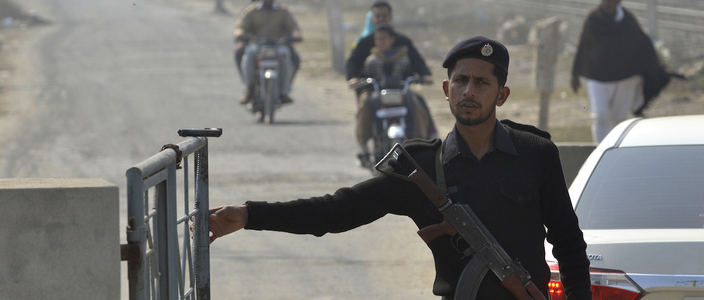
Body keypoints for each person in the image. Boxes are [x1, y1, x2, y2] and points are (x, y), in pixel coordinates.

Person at [209, 36, 593, 300]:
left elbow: (569, 245)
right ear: (446, 90)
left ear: (502, 94)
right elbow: (335, 211)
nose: (469, 92)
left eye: (481, 82)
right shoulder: (420, 169)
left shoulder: (536, 154)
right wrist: (250, 214)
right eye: (460, 81)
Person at [571, 0, 670, 142]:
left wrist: (654, 69)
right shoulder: (594, 19)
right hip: (598, 75)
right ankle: (600, 150)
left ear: (618, 1)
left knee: (619, 118)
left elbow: (642, 45)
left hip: (625, 77)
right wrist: (575, 74)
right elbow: (584, 45)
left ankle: (617, 150)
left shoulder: (627, 20)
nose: (607, 3)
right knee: (601, 116)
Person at [349, 24, 435, 167]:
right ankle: (364, 148)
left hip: (401, 93)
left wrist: (423, 77)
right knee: (365, 105)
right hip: (378, 94)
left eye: (384, 39)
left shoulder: (403, 57)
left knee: (415, 103)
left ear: (392, 39)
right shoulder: (371, 60)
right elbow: (364, 75)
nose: (380, 42)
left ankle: (421, 142)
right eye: (378, 39)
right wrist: (358, 80)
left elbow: (413, 71)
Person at [233, 0, 303, 104]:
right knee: (248, 55)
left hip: (278, 44)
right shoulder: (252, 10)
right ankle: (249, 88)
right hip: (257, 45)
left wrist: (296, 35)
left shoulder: (283, 11)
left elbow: (293, 26)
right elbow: (240, 26)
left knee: (287, 57)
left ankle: (284, 91)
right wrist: (240, 34)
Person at [232, 0, 263, 77]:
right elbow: (240, 26)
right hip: (253, 43)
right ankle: (248, 82)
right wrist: (241, 37)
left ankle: (285, 87)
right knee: (240, 52)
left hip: (272, 43)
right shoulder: (247, 10)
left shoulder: (276, 9)